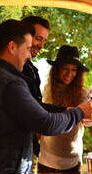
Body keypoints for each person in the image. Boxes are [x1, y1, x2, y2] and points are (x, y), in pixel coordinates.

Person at [0, 19, 92, 174]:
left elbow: (33, 107)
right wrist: (79, 112)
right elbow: (46, 123)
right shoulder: (11, 83)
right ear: (12, 47)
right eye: (27, 49)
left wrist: (65, 110)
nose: (30, 55)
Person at [38, 45, 92, 173]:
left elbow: (89, 121)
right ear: (57, 69)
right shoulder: (46, 89)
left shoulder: (82, 93)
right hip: (46, 160)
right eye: (65, 69)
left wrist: (90, 116)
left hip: (72, 161)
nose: (70, 74)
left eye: (74, 69)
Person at [21, 16, 64, 157]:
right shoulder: (13, 72)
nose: (41, 46)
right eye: (38, 39)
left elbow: (36, 105)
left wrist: (68, 110)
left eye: (44, 41)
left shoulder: (32, 70)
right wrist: (77, 113)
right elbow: (36, 116)